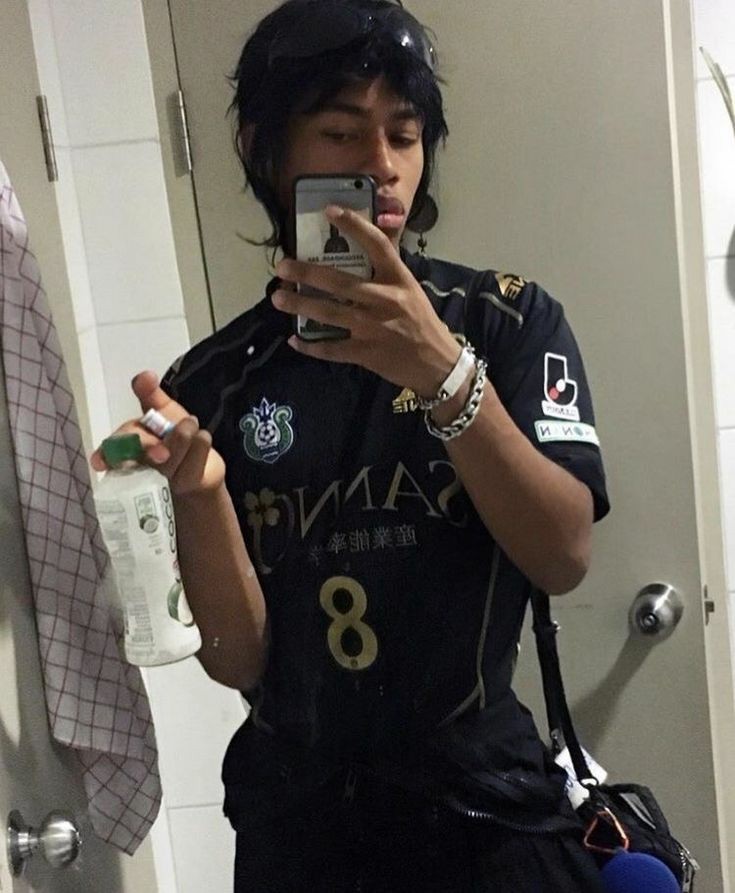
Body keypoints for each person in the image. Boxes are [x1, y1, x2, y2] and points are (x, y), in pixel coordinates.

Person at [92, 1, 610, 889]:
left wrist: (444, 373)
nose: (381, 165)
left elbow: (561, 554)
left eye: (403, 135)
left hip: (489, 820)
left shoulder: (505, 320)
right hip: (301, 833)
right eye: (340, 132)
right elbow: (237, 660)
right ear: (265, 150)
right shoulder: (215, 380)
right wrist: (201, 493)